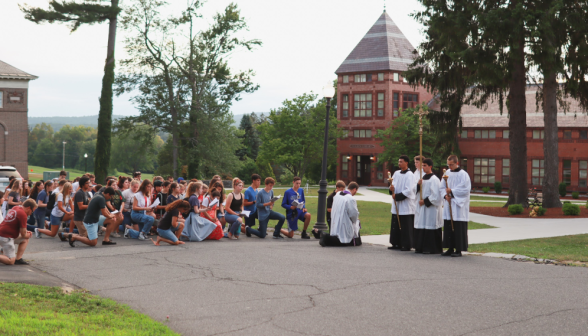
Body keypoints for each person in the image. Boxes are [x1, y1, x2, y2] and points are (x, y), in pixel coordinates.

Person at [440, 155, 471, 257]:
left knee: (457, 227)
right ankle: (450, 248)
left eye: (451, 164)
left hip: (458, 206)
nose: (450, 167)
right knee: (449, 226)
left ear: (457, 163)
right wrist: (445, 196)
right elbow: (441, 187)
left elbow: (465, 189)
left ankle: (458, 249)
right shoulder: (446, 174)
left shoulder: (463, 174)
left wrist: (452, 192)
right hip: (449, 203)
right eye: (448, 164)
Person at [414, 158, 443, 254]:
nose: (423, 167)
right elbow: (414, 191)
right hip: (422, 208)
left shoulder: (434, 179)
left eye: (425, 165)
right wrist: (418, 185)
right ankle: (421, 247)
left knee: (430, 225)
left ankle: (432, 248)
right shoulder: (422, 179)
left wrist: (425, 201)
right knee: (422, 225)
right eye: (422, 165)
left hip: (430, 208)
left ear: (430, 166)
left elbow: (436, 196)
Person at [388, 155, 417, 251]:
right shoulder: (396, 173)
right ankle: (396, 243)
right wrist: (391, 189)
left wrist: (397, 196)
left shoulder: (410, 175)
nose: (399, 163)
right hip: (396, 203)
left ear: (406, 163)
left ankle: (406, 244)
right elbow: (393, 185)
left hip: (405, 204)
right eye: (399, 161)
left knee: (405, 225)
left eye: (401, 162)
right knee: (395, 224)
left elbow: (409, 190)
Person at [320, 182, 362, 247]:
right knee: (345, 241)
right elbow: (353, 214)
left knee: (338, 237)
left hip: (335, 220)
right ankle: (326, 237)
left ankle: (326, 237)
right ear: (354, 189)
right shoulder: (351, 199)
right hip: (345, 222)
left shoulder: (338, 195)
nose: (355, 193)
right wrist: (356, 220)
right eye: (356, 191)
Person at [0, 199, 37, 265]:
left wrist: (25, 232)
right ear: (28, 208)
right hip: (6, 237)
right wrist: (28, 234)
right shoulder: (23, 214)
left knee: (25, 240)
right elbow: (23, 234)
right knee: (11, 261)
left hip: (3, 233)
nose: (31, 213)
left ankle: (18, 259)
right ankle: (13, 258)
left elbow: (14, 225)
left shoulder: (16, 207)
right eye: (32, 211)